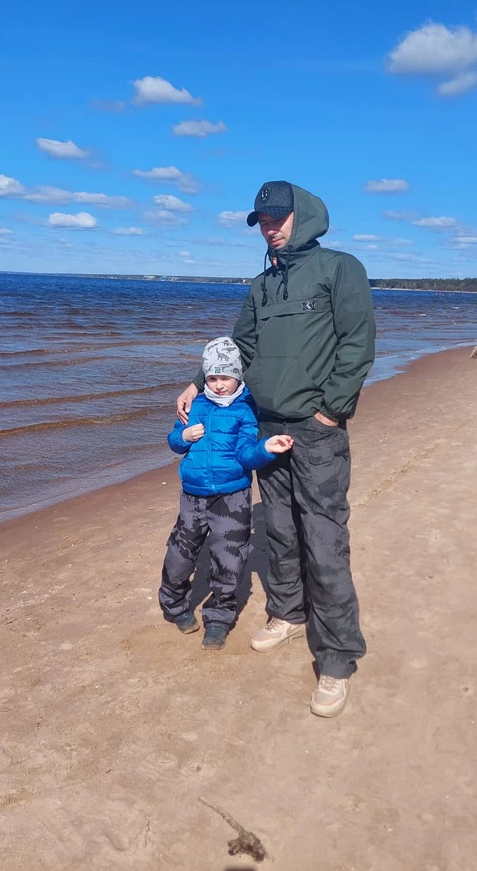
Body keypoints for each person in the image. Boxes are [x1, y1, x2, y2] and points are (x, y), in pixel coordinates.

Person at [176, 181, 376, 717]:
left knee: (324, 537)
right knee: (281, 530)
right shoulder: (263, 285)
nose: (270, 226)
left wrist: (330, 411)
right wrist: (199, 381)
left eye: (278, 217)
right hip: (264, 430)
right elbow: (240, 346)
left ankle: (336, 657)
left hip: (316, 430)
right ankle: (287, 614)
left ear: (303, 216)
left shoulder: (339, 269)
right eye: (262, 219)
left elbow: (358, 344)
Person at [160, 337, 293, 650]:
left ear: (239, 376)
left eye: (226, 377)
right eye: (212, 378)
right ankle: (175, 604)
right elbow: (174, 441)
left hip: (232, 497)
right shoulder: (195, 405)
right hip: (192, 495)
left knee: (228, 558)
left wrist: (266, 448)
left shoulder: (246, 409)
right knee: (180, 555)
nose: (219, 385)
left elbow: (247, 455)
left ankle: (218, 618)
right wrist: (183, 435)